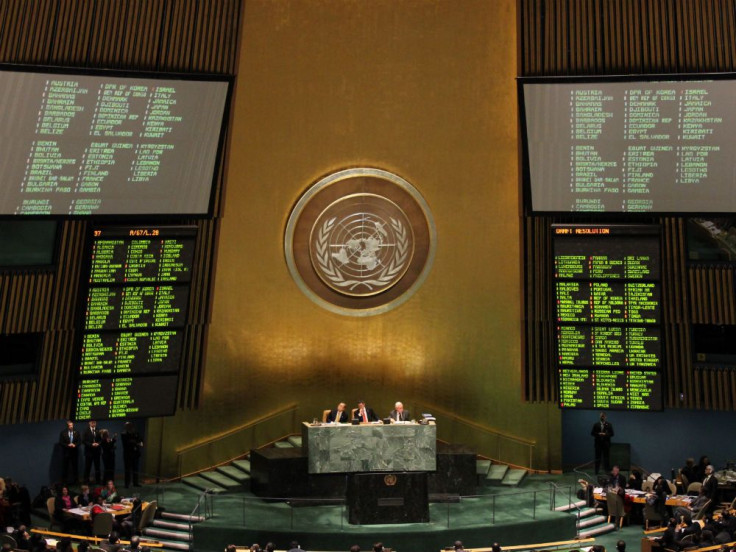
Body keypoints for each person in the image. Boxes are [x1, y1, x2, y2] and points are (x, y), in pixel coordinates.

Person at [121, 422, 143, 488]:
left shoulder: (136, 433)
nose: (130, 427)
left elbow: (140, 440)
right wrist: (137, 443)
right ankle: (127, 483)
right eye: (128, 426)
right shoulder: (123, 434)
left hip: (135, 454)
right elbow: (128, 442)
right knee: (128, 470)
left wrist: (138, 442)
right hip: (128, 455)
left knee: (135, 469)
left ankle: (135, 482)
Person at [59, 420, 80, 485]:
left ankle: (76, 480)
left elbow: (79, 441)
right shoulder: (63, 433)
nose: (71, 427)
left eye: (72, 425)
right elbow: (61, 442)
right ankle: (64, 481)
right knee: (65, 467)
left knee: (75, 467)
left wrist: (75, 445)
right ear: (67, 426)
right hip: (66, 452)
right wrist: (68, 445)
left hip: (74, 452)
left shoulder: (76, 432)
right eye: (70, 426)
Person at [82, 420, 102, 484]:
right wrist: (91, 444)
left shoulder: (98, 430)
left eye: (95, 422)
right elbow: (84, 441)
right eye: (92, 422)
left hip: (97, 452)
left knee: (97, 467)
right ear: (89, 423)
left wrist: (98, 443)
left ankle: (98, 480)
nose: (93, 423)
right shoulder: (85, 430)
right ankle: (86, 480)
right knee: (87, 467)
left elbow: (101, 440)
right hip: (89, 452)